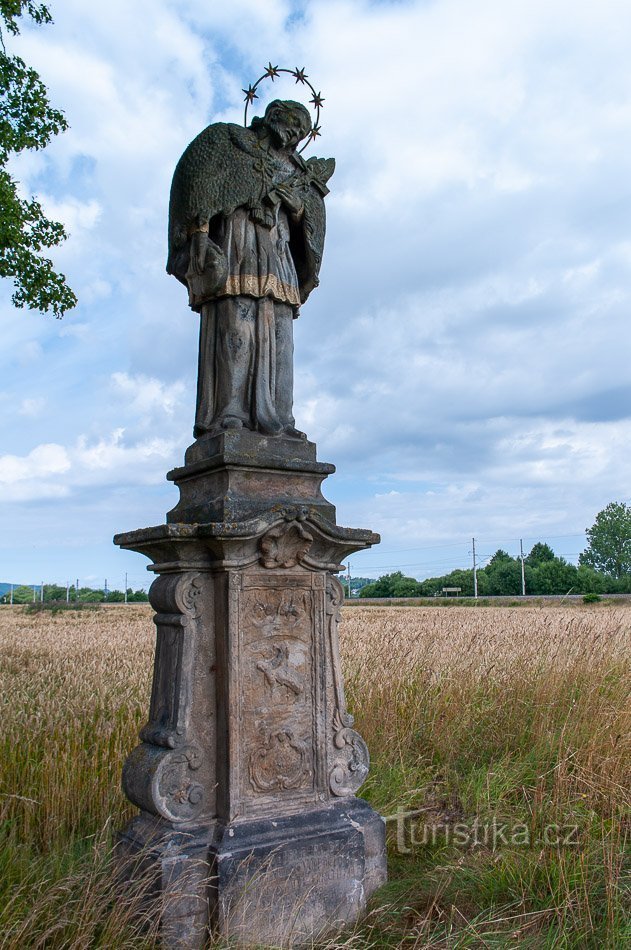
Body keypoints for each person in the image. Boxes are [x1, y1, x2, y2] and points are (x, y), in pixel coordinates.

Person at [167, 99, 334, 439]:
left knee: (282, 339)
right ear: (274, 115)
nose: (296, 133)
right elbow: (199, 187)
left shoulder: (298, 171)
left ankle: (281, 418)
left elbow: (313, 215)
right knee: (236, 332)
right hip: (238, 246)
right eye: (293, 123)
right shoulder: (229, 142)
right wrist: (200, 234)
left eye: (303, 130)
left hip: (279, 252)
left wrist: (298, 208)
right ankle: (230, 411)